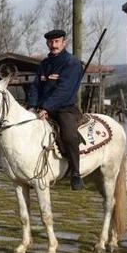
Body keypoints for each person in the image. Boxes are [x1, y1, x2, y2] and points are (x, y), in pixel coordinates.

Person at [27, 29, 85, 190]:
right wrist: (32, 106)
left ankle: (75, 173)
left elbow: (64, 91)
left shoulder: (71, 63)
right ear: (47, 43)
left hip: (65, 108)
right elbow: (36, 87)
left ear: (64, 42)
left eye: (57, 41)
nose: (54, 45)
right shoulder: (44, 64)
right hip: (42, 108)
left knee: (69, 135)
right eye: (51, 42)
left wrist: (46, 108)